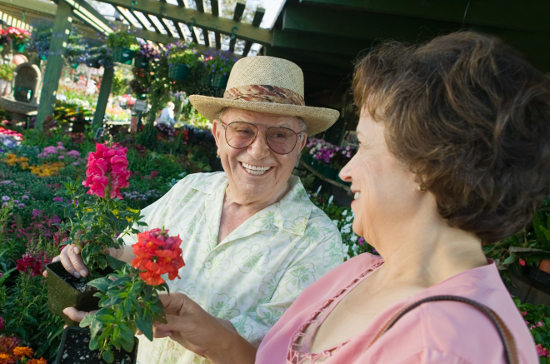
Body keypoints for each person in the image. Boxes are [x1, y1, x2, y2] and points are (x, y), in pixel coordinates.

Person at [155, 31, 549, 363]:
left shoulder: (446, 344)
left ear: (430, 167)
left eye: (363, 145)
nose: (345, 170)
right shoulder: (357, 271)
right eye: (243, 131)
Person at [57, 56, 345, 363]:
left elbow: (289, 353)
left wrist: (212, 336)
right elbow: (130, 251)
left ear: (300, 145)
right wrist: (89, 261)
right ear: (218, 134)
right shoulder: (190, 190)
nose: (259, 150)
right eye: (243, 130)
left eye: (280, 135)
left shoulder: (318, 243)